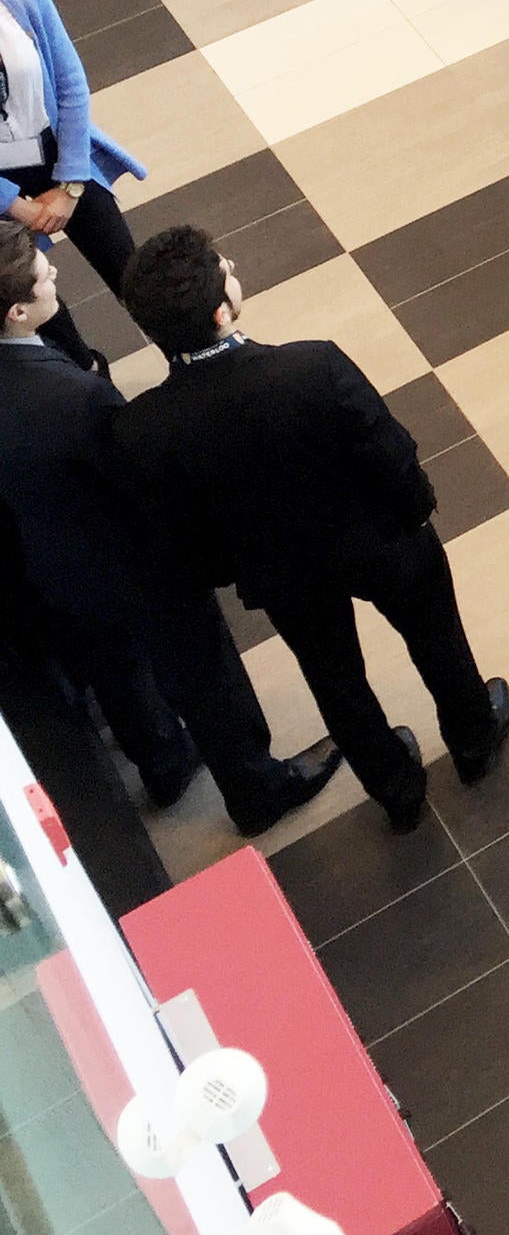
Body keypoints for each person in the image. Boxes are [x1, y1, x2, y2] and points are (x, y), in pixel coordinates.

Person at [105, 227, 509, 836]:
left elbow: (186, 536)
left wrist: (242, 565)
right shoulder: (313, 365)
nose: (234, 266)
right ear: (223, 310)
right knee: (436, 636)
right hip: (383, 542)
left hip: (282, 574)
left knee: (334, 679)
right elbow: (388, 450)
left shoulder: (143, 429)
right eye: (226, 268)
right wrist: (415, 510)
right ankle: (473, 739)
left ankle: (396, 788)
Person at [0, 222, 343, 834]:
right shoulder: (71, 399)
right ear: (19, 309)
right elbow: (130, 477)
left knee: (114, 668)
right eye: (41, 275)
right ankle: (256, 787)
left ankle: (164, 763)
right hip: (128, 561)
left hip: (48, 564)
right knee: (204, 670)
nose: (55, 271)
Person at [0, 0, 146, 373]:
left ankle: (186, 353)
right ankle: (86, 375)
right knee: (29, 297)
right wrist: (16, 206)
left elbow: (71, 87)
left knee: (131, 275)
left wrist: (70, 184)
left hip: (61, 157)